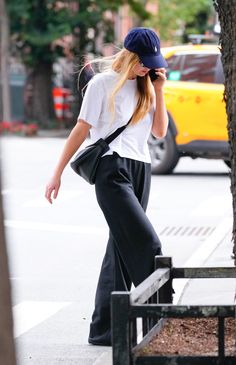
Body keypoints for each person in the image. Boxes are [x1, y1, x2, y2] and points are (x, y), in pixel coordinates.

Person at [45, 27, 169, 346]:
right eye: (144, 62)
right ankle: (160, 324)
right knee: (148, 244)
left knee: (119, 249)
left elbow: (158, 131)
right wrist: (56, 173)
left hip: (141, 169)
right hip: (112, 170)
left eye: (152, 63)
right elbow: (80, 130)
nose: (147, 67)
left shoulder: (147, 86)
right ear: (129, 56)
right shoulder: (101, 84)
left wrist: (159, 88)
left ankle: (105, 330)